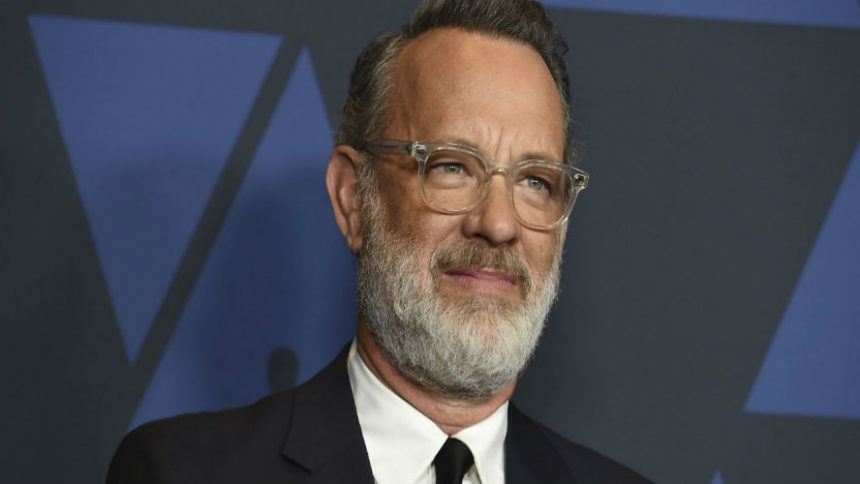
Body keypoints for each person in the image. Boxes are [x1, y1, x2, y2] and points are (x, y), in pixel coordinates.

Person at [107, 1, 652, 483]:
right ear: (353, 199)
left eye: (535, 181)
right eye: (451, 166)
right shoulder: (182, 473)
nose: (499, 224)